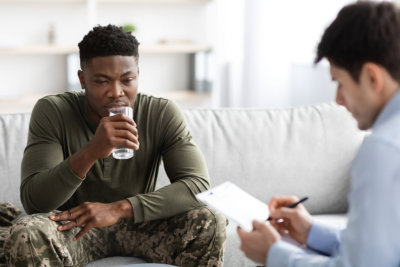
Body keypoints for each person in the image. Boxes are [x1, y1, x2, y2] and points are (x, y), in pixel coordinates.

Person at [3, 24, 226, 267]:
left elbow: (198, 186)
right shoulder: (53, 111)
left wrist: (118, 209)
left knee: (211, 219)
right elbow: (36, 202)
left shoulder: (161, 113)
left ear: (138, 75)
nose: (116, 92)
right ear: (82, 80)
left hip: (139, 225)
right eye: (102, 81)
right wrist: (91, 151)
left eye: (127, 79)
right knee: (27, 232)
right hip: (74, 228)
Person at [238, 2, 400, 266]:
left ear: (372, 77)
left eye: (340, 83)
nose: (337, 100)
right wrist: (313, 231)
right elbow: (379, 251)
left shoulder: (383, 150)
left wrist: (274, 255)